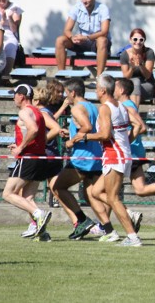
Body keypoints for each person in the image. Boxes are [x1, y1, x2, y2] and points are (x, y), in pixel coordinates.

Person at [83, 74, 142, 247]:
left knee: (113, 198)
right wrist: (126, 143)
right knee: (95, 192)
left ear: (102, 90)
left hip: (114, 156)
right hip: (120, 155)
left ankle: (132, 237)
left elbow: (105, 135)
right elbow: (140, 126)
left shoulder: (104, 108)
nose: (95, 91)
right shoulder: (122, 106)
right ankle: (127, 213)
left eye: (96, 88)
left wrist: (84, 136)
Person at [52, 78, 110, 241]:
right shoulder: (93, 106)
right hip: (96, 155)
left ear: (73, 92)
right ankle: (110, 225)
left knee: (57, 187)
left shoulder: (77, 108)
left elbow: (87, 127)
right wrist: (69, 133)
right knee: (91, 194)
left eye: (66, 93)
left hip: (82, 158)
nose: (65, 96)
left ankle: (82, 220)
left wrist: (72, 141)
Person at [2, 84, 52, 239]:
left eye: (15, 94)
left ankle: (39, 214)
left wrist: (20, 148)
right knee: (28, 198)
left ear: (22, 96)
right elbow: (42, 136)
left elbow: (34, 130)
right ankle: (42, 232)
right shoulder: (38, 112)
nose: (13, 98)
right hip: (39, 157)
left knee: (8, 193)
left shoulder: (24, 111)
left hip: (28, 158)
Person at [20, 87, 63, 241]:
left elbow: (56, 128)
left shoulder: (41, 112)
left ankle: (37, 221)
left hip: (43, 156)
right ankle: (39, 228)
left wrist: (41, 141)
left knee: (19, 194)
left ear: (36, 100)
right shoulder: (42, 112)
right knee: (27, 195)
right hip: (43, 156)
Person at [55, 0, 111, 76]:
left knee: (102, 40)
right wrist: (72, 37)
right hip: (82, 41)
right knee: (60, 40)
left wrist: (87, 37)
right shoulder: (77, 7)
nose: (84, 1)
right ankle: (61, 76)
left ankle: (99, 78)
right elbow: (67, 30)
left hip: (96, 42)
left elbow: (104, 32)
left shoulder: (103, 8)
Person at [120, 28, 155, 107]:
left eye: (141, 40)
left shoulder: (149, 52)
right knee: (135, 81)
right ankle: (134, 113)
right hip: (130, 87)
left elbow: (147, 75)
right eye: (135, 39)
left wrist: (141, 64)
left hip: (146, 85)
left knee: (136, 81)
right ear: (130, 40)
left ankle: (133, 113)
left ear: (144, 41)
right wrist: (132, 68)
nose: (138, 42)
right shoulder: (124, 55)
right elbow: (126, 77)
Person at [0, 0, 23, 74]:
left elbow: (15, 29)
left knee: (10, 46)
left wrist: (9, 17)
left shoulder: (15, 7)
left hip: (10, 33)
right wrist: (1, 22)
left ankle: (5, 75)